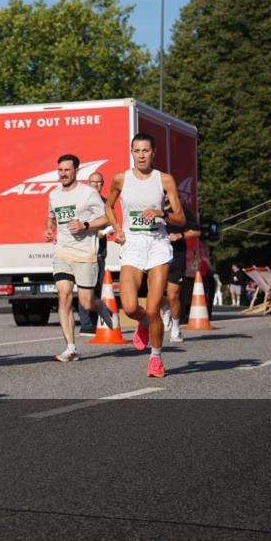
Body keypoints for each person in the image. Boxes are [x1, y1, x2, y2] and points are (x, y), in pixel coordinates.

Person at [105, 133, 185, 378]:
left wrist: (161, 213)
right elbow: (108, 206)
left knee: (153, 309)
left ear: (153, 153)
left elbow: (180, 219)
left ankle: (156, 358)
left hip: (158, 245)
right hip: (133, 245)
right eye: (136, 150)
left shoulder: (165, 180)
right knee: (129, 307)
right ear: (131, 152)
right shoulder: (121, 179)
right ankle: (141, 324)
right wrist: (117, 228)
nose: (141, 155)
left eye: (145, 151)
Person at [44, 155, 114, 362]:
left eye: (67, 170)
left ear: (76, 171)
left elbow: (107, 218)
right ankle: (70, 347)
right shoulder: (54, 195)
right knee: (64, 295)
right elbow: (50, 218)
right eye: (60, 170)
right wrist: (49, 230)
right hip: (63, 252)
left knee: (86, 302)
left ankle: (101, 307)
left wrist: (85, 225)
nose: (63, 174)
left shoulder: (89, 193)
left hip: (85, 254)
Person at [160, 197, 201, 342]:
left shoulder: (180, 210)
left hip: (176, 255)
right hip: (155, 256)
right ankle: (165, 306)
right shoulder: (150, 208)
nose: (163, 194)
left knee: (173, 295)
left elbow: (196, 231)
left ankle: (176, 329)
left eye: (166, 192)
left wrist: (179, 235)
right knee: (156, 295)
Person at [76, 171, 111, 334]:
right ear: (88, 183)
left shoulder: (106, 203)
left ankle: (97, 321)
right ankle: (86, 324)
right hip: (82, 252)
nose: (96, 185)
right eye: (93, 182)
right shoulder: (80, 202)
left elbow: (114, 223)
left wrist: (105, 232)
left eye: (99, 182)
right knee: (84, 288)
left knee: (96, 289)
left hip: (99, 253)